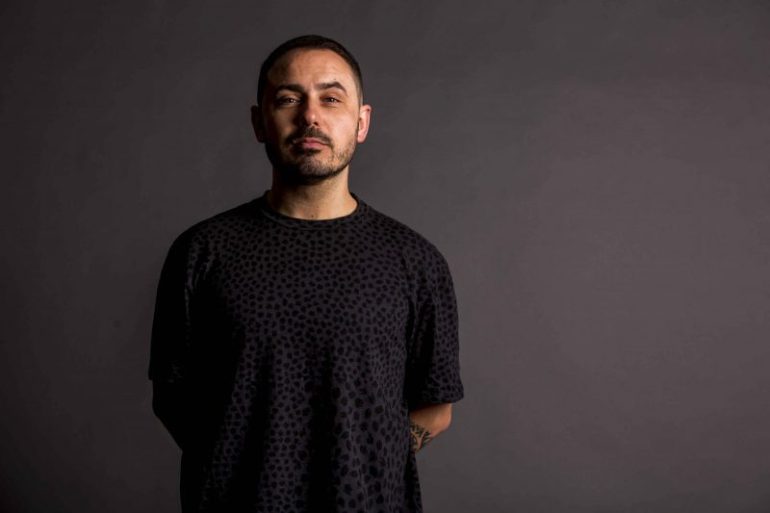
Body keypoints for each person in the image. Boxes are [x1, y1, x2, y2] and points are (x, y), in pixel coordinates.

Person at [149, 34, 464, 513]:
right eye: (288, 99)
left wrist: (363, 460)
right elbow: (172, 395)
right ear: (259, 122)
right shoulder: (202, 252)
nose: (310, 116)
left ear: (362, 122)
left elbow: (436, 407)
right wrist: (237, 461)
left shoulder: (415, 261)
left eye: (331, 99)